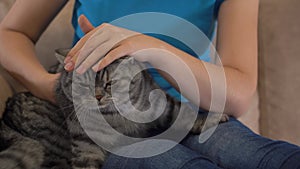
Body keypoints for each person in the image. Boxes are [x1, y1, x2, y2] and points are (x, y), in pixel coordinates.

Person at [0, 0, 299, 168]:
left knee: (266, 158)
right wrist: (50, 87)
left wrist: (153, 50)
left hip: (187, 109)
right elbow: (9, 33)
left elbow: (240, 92)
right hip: (105, 124)